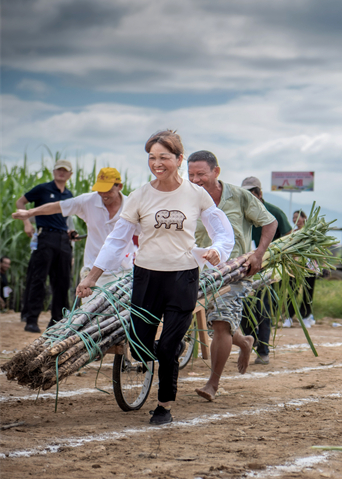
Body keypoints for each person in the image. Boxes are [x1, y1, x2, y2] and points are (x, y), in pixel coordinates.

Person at [76, 130, 234, 425]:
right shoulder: (139, 196)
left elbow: (222, 231)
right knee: (139, 345)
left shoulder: (196, 194)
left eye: (164, 157)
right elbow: (117, 240)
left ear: (179, 159)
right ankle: (172, 349)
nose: (157, 163)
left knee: (167, 347)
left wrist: (217, 250)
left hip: (183, 278)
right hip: (147, 277)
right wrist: (92, 277)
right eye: (151, 157)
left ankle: (164, 406)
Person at [188, 151, 277, 400]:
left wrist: (258, 254)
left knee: (220, 323)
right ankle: (245, 342)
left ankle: (212, 384)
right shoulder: (187, 197)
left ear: (216, 172)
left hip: (235, 271)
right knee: (218, 322)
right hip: (198, 272)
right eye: (191, 174)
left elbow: (270, 223)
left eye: (201, 174)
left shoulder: (239, 196)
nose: (195, 180)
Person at [13, 168, 135, 304]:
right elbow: (57, 206)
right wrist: (29, 213)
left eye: (108, 190)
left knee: (122, 311)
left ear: (119, 187)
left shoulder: (131, 205)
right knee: (92, 310)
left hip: (124, 270)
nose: (104, 194)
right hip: (92, 270)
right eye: (100, 190)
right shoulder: (88, 201)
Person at [16, 159, 75, 332]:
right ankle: (31, 319)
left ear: (70, 174)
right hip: (45, 237)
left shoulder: (69, 195)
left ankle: (57, 321)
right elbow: (20, 202)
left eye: (65, 170)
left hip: (63, 239)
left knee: (63, 281)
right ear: (54, 172)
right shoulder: (42, 189)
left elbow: (67, 219)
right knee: (38, 279)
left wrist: (70, 233)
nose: (61, 173)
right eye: (59, 169)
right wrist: (27, 223)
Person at [240, 176, 293, 365]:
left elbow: (288, 236)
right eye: (245, 194)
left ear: (259, 193)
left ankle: (263, 351)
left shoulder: (274, 212)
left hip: (268, 270)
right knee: (242, 308)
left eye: (252, 193)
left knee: (263, 309)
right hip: (243, 269)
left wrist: (277, 256)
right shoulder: (241, 213)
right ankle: (251, 339)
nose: (249, 197)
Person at [284, 211, 317, 328]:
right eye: (293, 217)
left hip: (309, 266)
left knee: (308, 293)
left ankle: (305, 317)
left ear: (304, 218)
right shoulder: (292, 234)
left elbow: (317, 249)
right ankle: (289, 317)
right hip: (295, 267)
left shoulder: (311, 232)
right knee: (292, 292)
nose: (295, 220)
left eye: (298, 217)